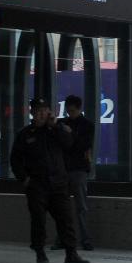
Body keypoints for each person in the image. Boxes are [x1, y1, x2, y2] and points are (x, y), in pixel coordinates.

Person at [10, 98, 91, 263]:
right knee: (38, 220)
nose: (42, 114)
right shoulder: (25, 134)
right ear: (32, 113)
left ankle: (71, 254)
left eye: (45, 110)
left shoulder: (55, 130)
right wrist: (24, 178)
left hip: (58, 183)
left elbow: (70, 144)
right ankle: (40, 253)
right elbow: (15, 160)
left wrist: (56, 126)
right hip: (37, 185)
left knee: (66, 219)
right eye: (38, 110)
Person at [51, 95, 95, 251]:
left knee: (81, 207)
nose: (70, 113)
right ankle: (62, 239)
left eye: (73, 111)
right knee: (62, 206)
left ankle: (85, 239)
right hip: (64, 169)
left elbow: (83, 145)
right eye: (68, 111)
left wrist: (70, 134)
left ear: (79, 108)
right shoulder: (63, 123)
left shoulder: (87, 125)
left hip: (79, 169)